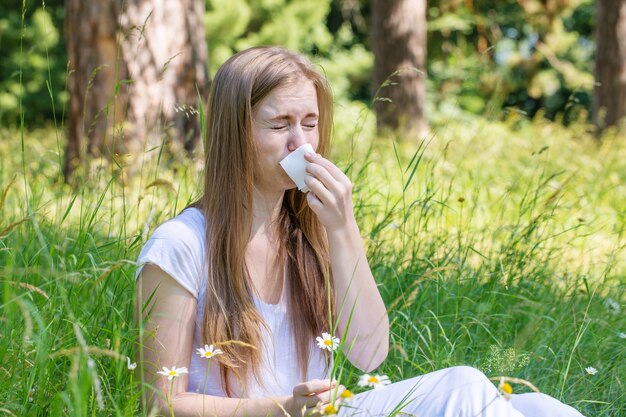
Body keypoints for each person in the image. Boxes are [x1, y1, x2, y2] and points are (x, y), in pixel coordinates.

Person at [135, 46, 585, 417]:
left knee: (543, 408)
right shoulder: (181, 246)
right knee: (463, 386)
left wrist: (343, 228)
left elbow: (370, 354)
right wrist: (282, 407)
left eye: (309, 124)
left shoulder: (308, 233)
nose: (301, 144)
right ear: (236, 134)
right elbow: (161, 403)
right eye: (280, 125)